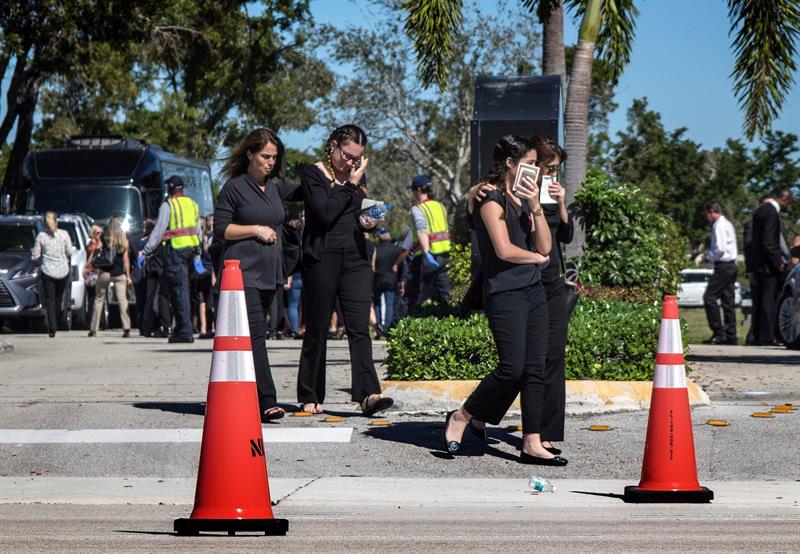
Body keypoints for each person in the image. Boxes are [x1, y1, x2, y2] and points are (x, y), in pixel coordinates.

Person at [443, 135, 564, 466]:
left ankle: (532, 441)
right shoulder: (490, 198)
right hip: (504, 292)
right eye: (528, 164)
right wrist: (536, 259)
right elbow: (503, 250)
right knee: (511, 369)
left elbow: (546, 245)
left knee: (535, 369)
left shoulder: (525, 198)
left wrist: (536, 207)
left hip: (533, 291)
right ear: (510, 163)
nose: (534, 171)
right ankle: (462, 416)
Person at [296, 124, 393, 416]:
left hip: (356, 256)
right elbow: (324, 212)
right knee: (318, 326)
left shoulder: (356, 177)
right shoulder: (313, 174)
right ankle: (310, 392)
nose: (352, 162)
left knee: (359, 327)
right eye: (348, 155)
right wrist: (350, 183)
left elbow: (359, 210)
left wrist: (371, 219)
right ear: (334, 145)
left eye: (357, 158)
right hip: (322, 256)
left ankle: (368, 394)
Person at [214, 128, 301, 422]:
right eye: (265, 156)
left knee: (252, 336)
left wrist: (334, 172)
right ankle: (267, 400)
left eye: (274, 158)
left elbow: (304, 191)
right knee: (256, 336)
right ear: (250, 154)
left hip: (271, 274)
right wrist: (255, 229)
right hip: (243, 274)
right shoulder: (234, 188)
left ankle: (239, 395)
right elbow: (221, 229)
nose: (270, 162)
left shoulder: (275, 186)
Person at [530, 135, 573, 457]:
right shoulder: (523, 193)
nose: (554, 175)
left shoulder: (553, 191)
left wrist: (560, 202)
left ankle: (547, 431)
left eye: (558, 170)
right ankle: (476, 415)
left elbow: (567, 235)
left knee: (555, 354)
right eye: (550, 169)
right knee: (524, 362)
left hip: (554, 280)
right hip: (528, 279)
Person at [141, 176, 202, 343]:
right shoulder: (193, 205)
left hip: (175, 251)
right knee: (182, 291)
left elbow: (158, 231)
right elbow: (198, 231)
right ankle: (182, 328)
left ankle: (184, 330)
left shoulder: (168, 206)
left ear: (171, 187)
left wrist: (146, 251)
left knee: (178, 292)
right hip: (190, 252)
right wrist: (198, 254)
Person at [750, 190, 793, 345]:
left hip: (758, 263)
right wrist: (778, 262)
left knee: (760, 300)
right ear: (783, 199)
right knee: (769, 300)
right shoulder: (772, 213)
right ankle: (768, 336)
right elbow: (769, 241)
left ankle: (758, 335)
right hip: (769, 265)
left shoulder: (759, 211)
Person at [405, 175, 451, 311]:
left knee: (414, 295)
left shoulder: (418, 209)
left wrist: (426, 252)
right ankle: (448, 319)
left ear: (418, 190)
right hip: (444, 256)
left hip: (426, 257)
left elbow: (421, 230)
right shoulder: (441, 206)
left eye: (413, 190)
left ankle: (403, 326)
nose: (413, 193)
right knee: (444, 293)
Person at [31, 211, 75, 337]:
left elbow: (36, 256)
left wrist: (34, 254)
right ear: (57, 221)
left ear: (44, 223)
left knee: (49, 299)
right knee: (58, 298)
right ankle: (55, 321)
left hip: (48, 271)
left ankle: (52, 327)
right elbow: (70, 251)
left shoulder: (41, 236)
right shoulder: (64, 234)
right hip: (63, 270)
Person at [701, 201, 739, 345]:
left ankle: (718, 332)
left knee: (710, 297)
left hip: (723, 266)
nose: (707, 217)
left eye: (707, 214)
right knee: (727, 300)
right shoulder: (727, 224)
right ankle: (731, 334)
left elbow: (720, 248)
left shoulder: (719, 225)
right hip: (731, 265)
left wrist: (708, 257)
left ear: (711, 211)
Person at [89, 216, 132, 338]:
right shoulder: (124, 241)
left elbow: (97, 250)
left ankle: (93, 329)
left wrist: (89, 266)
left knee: (99, 299)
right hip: (119, 273)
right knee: (122, 300)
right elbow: (126, 259)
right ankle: (126, 327)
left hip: (105, 272)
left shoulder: (104, 237)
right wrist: (128, 276)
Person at [373, 228, 405, 338]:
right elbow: (403, 258)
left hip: (377, 280)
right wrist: (401, 280)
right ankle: (387, 327)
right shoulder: (396, 249)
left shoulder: (375, 249)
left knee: (377, 303)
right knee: (389, 304)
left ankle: (379, 326)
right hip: (391, 280)